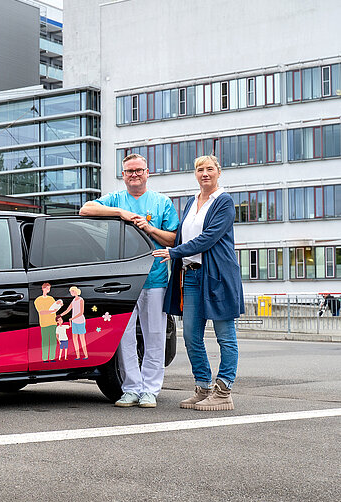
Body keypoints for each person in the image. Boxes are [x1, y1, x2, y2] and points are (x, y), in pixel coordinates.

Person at [80, 153, 178, 408]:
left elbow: (173, 240)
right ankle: (132, 388)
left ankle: (150, 390)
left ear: (148, 172)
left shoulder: (161, 202)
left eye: (139, 170)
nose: (134, 174)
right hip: (121, 282)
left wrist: (150, 229)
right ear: (123, 175)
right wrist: (121, 213)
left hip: (154, 279)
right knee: (123, 336)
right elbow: (85, 209)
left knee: (154, 335)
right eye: (129, 171)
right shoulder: (115, 199)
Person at [153, 155, 243, 411]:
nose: (205, 173)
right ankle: (203, 387)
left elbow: (208, 238)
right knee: (192, 335)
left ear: (219, 172)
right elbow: (181, 235)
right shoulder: (192, 202)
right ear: (195, 174)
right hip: (190, 276)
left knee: (225, 336)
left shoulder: (223, 202)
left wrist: (174, 252)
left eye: (210, 169)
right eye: (200, 169)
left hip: (217, 276)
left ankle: (224, 390)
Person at [32, 283, 60, 362]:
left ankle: (52, 357)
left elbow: (55, 307)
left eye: (49, 288)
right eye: (47, 288)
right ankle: (44, 358)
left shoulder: (51, 299)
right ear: (43, 288)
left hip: (52, 322)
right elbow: (41, 312)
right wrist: (51, 311)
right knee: (45, 341)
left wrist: (58, 304)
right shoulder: (38, 300)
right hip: (44, 323)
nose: (48, 290)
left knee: (53, 341)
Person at [59, 286, 88, 360]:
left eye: (71, 292)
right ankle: (78, 356)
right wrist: (60, 315)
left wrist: (72, 318)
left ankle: (86, 355)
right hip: (74, 322)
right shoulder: (73, 300)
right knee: (75, 339)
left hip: (80, 321)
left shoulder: (81, 300)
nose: (71, 293)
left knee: (82, 339)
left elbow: (81, 312)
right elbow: (68, 310)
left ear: (75, 291)